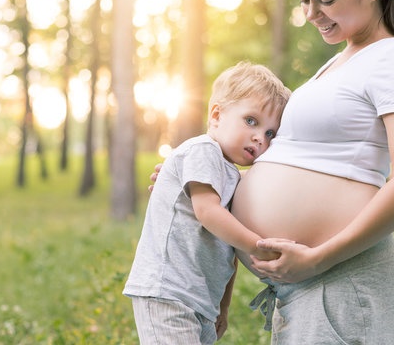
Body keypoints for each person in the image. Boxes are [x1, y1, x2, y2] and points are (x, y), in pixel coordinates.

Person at [151, 0, 394, 343]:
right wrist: (201, 176)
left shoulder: (393, 56)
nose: (312, 13)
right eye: (304, 0)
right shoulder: (340, 61)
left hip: (340, 279)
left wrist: (318, 258)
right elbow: (302, 159)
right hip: (305, 287)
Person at [123, 61, 291, 345]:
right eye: (251, 120)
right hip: (169, 292)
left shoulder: (233, 176)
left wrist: (223, 307)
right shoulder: (203, 150)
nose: (259, 138)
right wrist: (258, 245)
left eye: (270, 133)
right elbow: (208, 213)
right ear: (216, 115)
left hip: (201, 301)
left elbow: (229, 252)